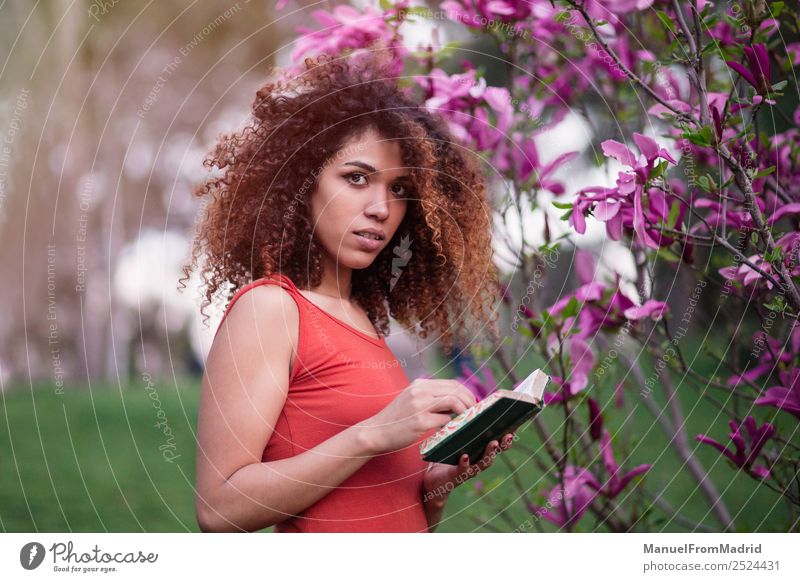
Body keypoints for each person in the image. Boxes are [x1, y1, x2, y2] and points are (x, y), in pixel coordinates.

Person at [182, 48, 513, 533]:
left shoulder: (360, 319)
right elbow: (219, 509)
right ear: (302, 182)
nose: (381, 207)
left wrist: (434, 487)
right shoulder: (270, 309)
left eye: (400, 189)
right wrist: (374, 434)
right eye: (356, 178)